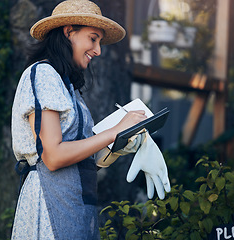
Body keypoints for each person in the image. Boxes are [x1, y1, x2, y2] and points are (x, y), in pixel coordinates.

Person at [10, 0, 147, 239]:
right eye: (93, 39)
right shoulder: (43, 74)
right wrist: (114, 131)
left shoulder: (68, 88)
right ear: (68, 32)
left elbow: (81, 158)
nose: (98, 50)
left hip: (74, 200)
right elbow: (53, 157)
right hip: (49, 202)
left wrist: (117, 146)